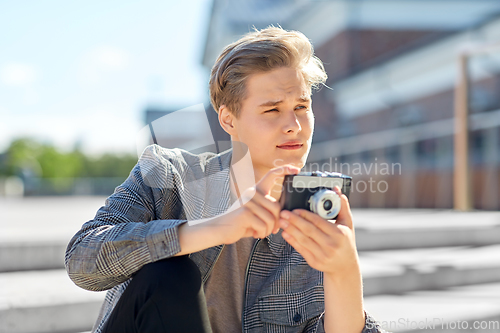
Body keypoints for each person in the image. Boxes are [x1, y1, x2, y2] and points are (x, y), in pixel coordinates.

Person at [65, 26, 385, 333]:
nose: (295, 126)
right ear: (228, 120)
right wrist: (219, 227)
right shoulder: (168, 174)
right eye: (272, 110)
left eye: (302, 106)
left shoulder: (312, 213)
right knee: (169, 273)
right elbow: (82, 260)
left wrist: (344, 271)